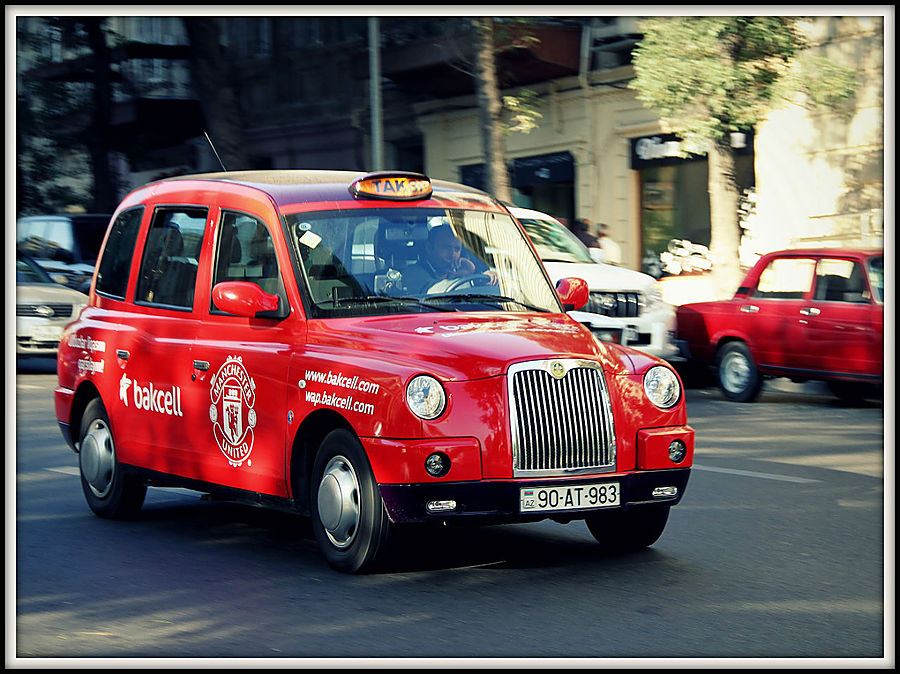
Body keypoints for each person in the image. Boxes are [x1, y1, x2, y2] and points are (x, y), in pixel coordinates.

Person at [403, 224, 496, 293]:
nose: (453, 254)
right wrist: (474, 281)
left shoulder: (457, 271)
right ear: (429, 248)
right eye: (446, 248)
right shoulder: (413, 273)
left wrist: (474, 273)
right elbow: (433, 293)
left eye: (457, 249)